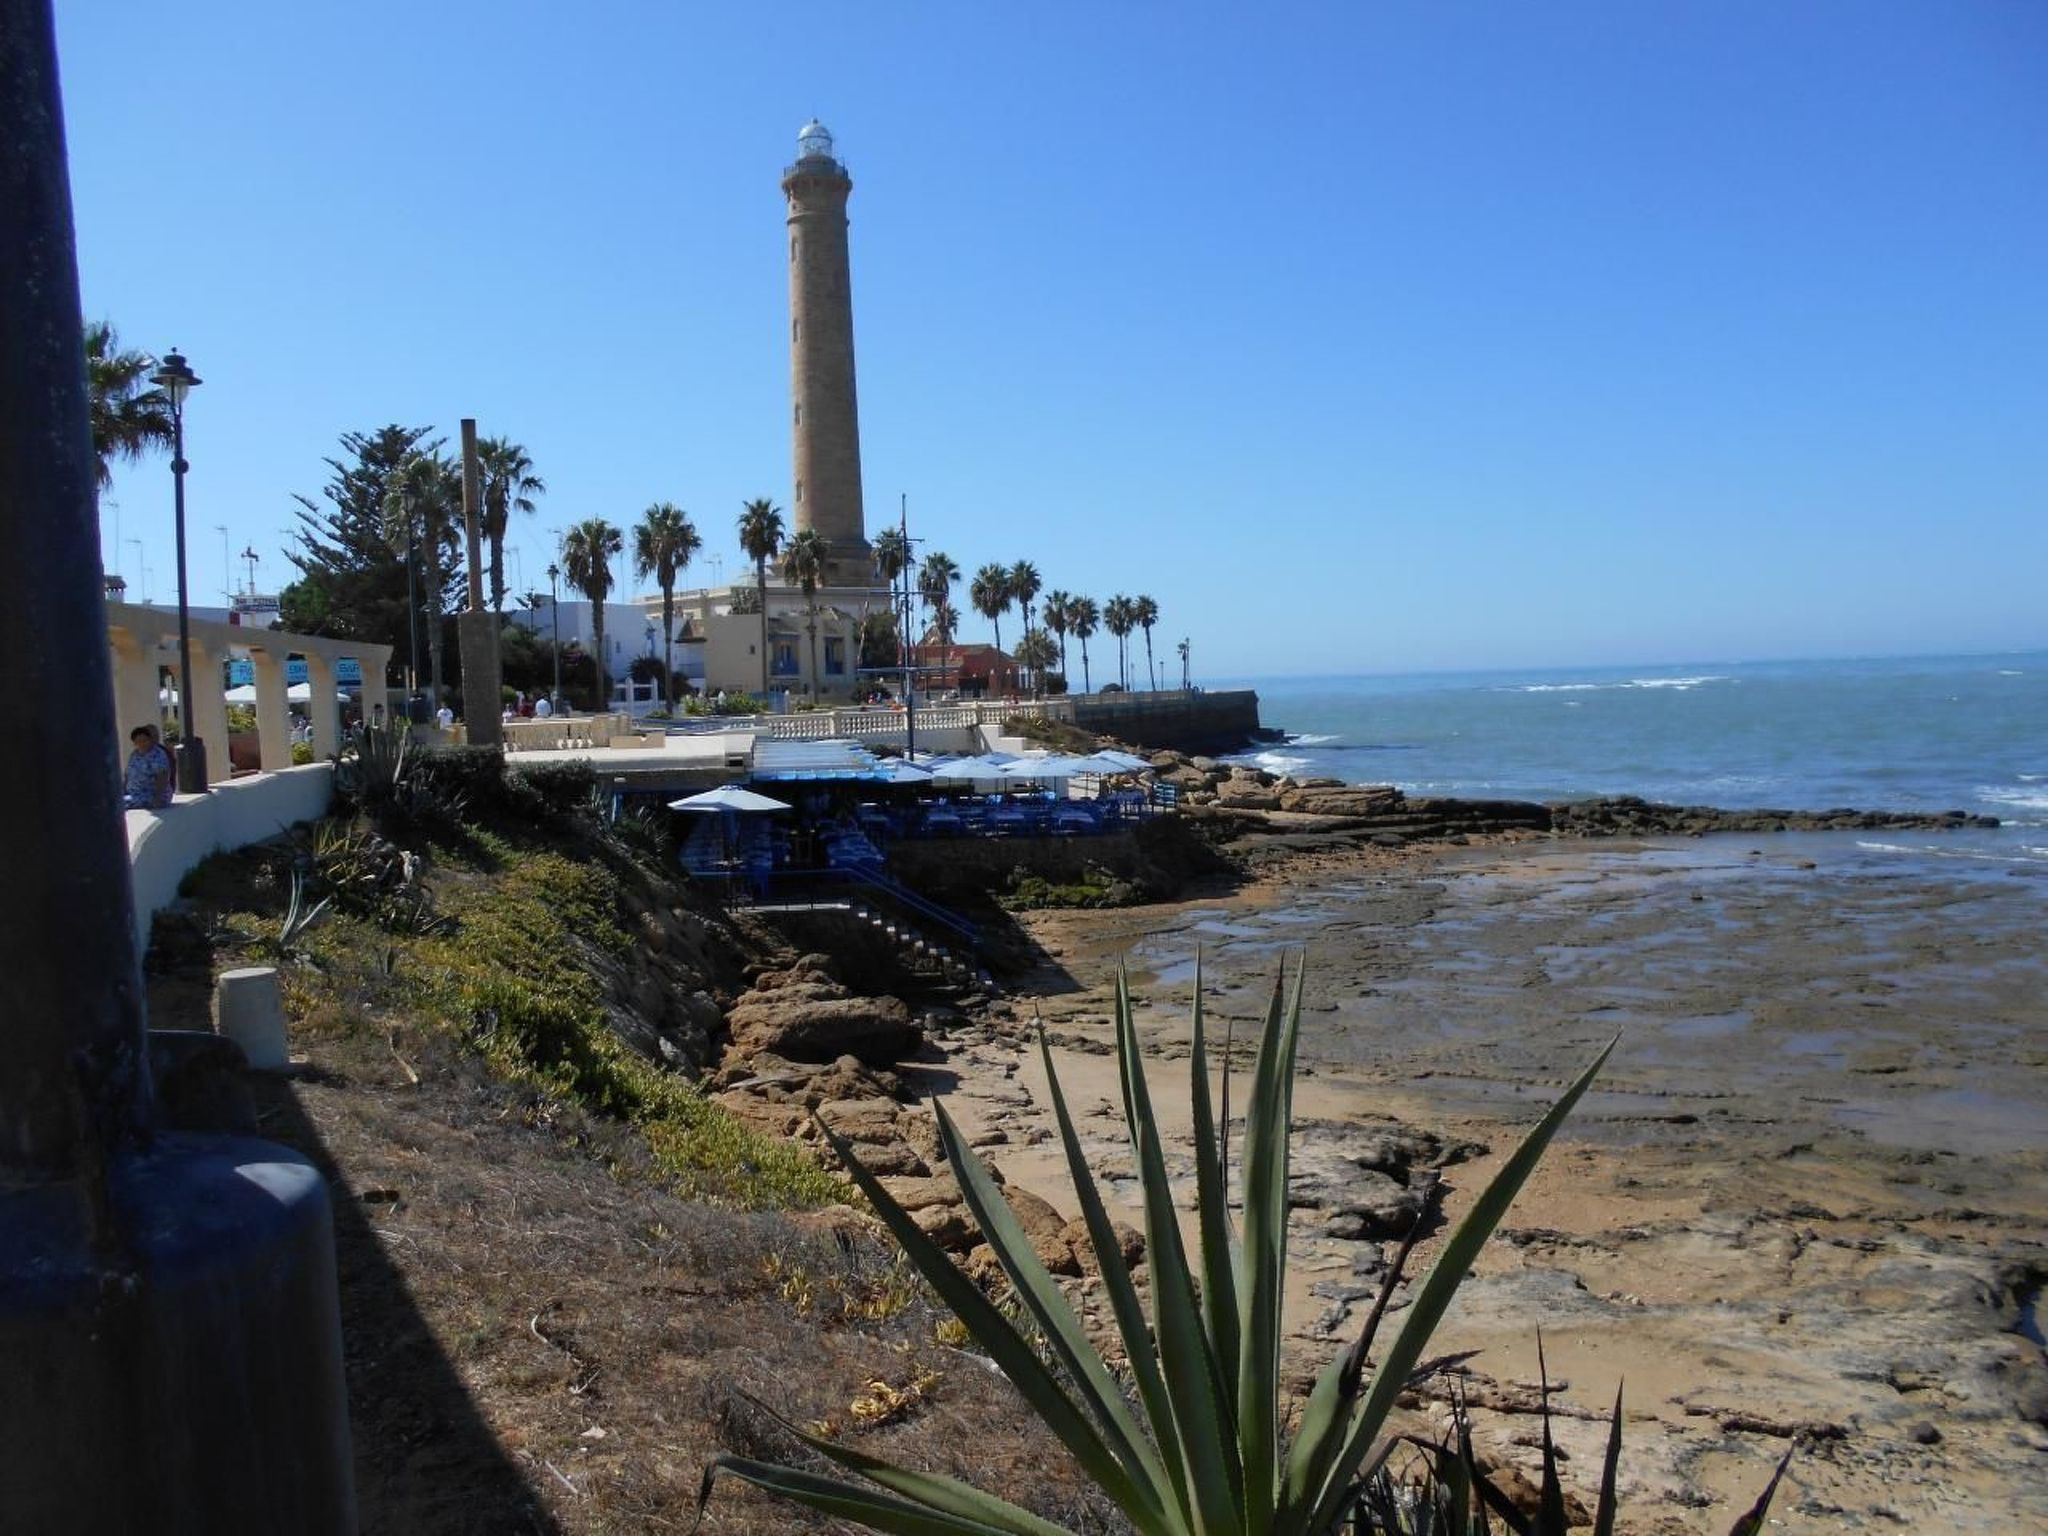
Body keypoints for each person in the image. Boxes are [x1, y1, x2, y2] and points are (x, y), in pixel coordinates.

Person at [123, 725, 175, 810]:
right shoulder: (134, 754)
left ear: (149, 740)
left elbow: (162, 776)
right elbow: (127, 774)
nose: (141, 744)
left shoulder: (157, 754)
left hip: (150, 795)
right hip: (134, 794)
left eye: (144, 740)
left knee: (117, 804)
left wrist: (157, 798)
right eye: (138, 741)